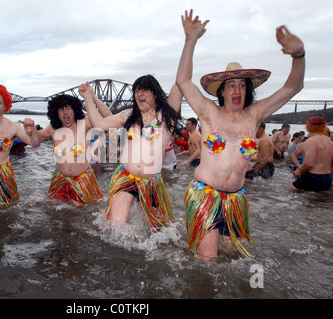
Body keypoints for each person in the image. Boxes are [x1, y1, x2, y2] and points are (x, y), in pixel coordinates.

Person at [176, 9, 305, 259]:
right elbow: (183, 80)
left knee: (233, 262)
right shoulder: (208, 112)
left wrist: (299, 55)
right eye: (231, 85)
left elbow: (293, 86)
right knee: (207, 261)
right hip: (205, 196)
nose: (237, 90)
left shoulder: (254, 115)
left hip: (236, 201)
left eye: (242, 85)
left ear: (248, 91)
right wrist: (190, 41)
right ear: (222, 92)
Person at [79, 75, 183, 231]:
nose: (139, 94)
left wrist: (188, 48)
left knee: (157, 230)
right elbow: (99, 124)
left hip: (151, 182)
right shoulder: (129, 115)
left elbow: (181, 81)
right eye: (136, 90)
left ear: (155, 93)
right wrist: (88, 97)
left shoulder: (167, 117)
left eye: (144, 90)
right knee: (117, 227)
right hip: (125, 178)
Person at [36, 91, 112, 207]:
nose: (65, 112)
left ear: (75, 110)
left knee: (78, 207)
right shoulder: (53, 129)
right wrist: (30, 128)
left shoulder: (85, 123)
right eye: (61, 109)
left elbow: (109, 118)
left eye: (68, 108)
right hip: (60, 179)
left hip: (83, 179)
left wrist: (93, 97)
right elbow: (35, 139)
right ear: (56, 112)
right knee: (52, 207)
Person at [290, 116, 332, 191]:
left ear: (308, 127)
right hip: (327, 178)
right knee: (319, 200)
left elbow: (309, 163)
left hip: (313, 176)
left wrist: (299, 171)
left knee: (292, 188)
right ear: (324, 127)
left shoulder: (311, 141)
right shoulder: (330, 142)